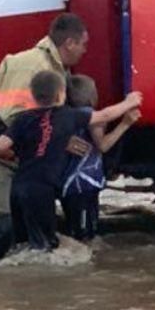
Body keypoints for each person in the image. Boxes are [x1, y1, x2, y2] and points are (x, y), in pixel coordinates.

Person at [0, 13, 89, 262]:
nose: (84, 51)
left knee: (21, 234)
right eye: (83, 44)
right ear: (69, 43)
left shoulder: (50, 67)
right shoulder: (35, 66)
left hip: (3, 154)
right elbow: (17, 121)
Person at [0, 71, 142, 252]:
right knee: (46, 248)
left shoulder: (23, 119)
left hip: (17, 189)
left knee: (22, 245)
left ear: (32, 96)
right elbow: (104, 115)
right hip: (42, 191)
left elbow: (0, 145)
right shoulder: (68, 116)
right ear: (60, 94)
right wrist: (129, 102)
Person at [60, 75, 140, 241]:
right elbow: (103, 145)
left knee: (77, 231)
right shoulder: (90, 116)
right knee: (85, 236)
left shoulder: (66, 116)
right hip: (83, 185)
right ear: (92, 96)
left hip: (71, 186)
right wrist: (125, 123)